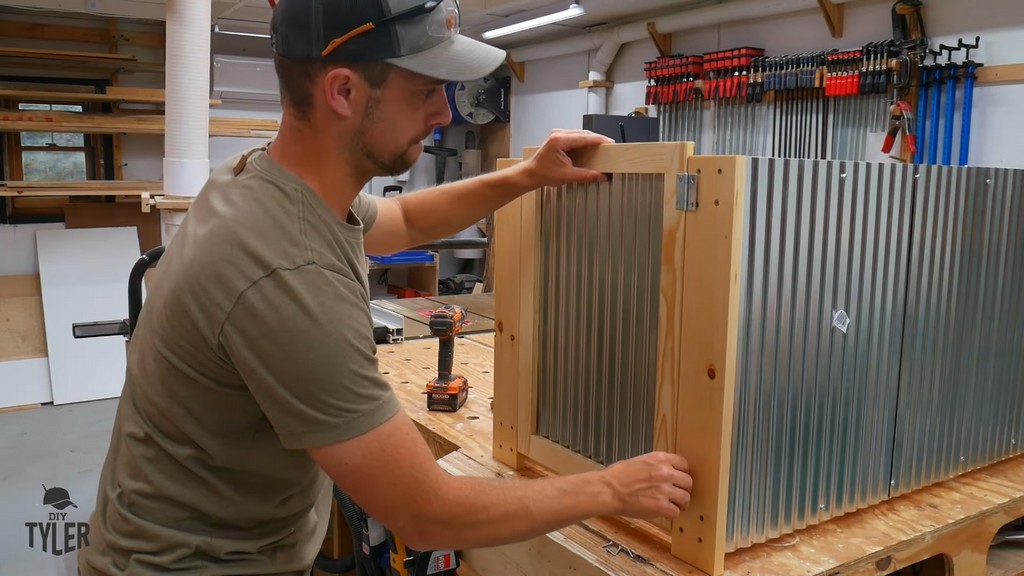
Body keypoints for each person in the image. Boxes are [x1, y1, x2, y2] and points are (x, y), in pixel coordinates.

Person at [78, 0, 693, 574]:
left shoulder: (259, 178)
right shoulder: (287, 273)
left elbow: (403, 220)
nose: (444, 112)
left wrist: (527, 176)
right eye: (425, 90)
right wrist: (613, 488)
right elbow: (426, 515)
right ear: (343, 91)